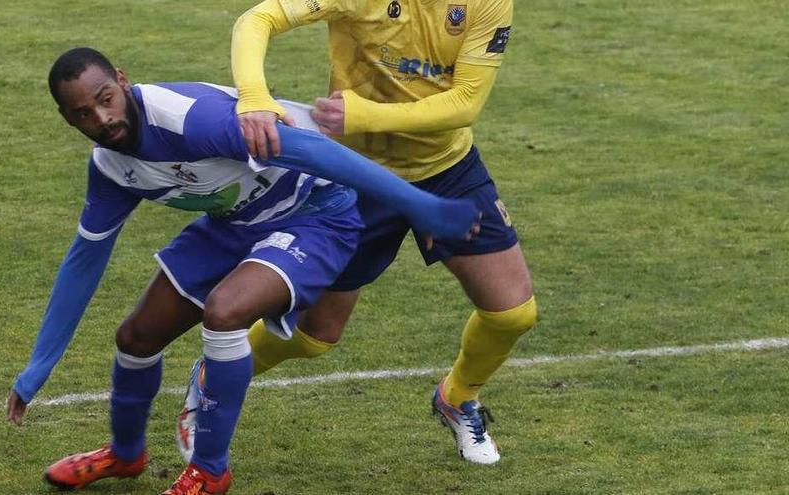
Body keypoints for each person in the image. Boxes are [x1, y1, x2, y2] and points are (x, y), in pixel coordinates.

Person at [6, 47, 481, 494]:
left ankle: (209, 472)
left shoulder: (192, 119)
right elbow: (84, 259)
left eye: (105, 100)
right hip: (234, 222)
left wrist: (423, 207)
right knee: (136, 337)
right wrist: (38, 366)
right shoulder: (111, 166)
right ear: (67, 118)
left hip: (315, 213)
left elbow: (317, 153)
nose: (102, 119)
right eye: (82, 114)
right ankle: (126, 455)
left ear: (122, 82)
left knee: (226, 311)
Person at [186, 0, 537, 465]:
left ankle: (457, 396)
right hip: (356, 176)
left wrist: (363, 115)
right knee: (315, 336)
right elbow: (258, 18)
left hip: (446, 168)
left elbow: (465, 103)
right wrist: (254, 96)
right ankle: (213, 379)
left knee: (512, 314)